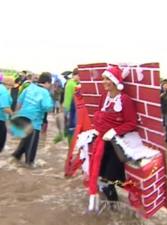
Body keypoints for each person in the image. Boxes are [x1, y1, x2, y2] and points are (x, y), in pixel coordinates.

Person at [86, 65, 137, 211]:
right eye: (103, 78)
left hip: (116, 145)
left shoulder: (125, 100)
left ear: (115, 81)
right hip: (102, 143)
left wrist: (114, 131)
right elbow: (100, 116)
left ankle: (115, 209)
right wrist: (97, 130)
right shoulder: (104, 97)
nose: (103, 81)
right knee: (101, 176)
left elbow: (131, 123)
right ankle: (112, 209)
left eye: (107, 78)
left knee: (110, 178)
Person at [12, 72, 54, 166]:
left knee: (24, 141)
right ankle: (29, 167)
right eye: (50, 84)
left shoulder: (29, 87)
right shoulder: (45, 92)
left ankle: (15, 157)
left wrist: (16, 114)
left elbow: (19, 101)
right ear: (47, 82)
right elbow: (47, 107)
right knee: (31, 150)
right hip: (34, 123)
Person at [63, 68, 80, 144]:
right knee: (72, 126)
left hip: (66, 106)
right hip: (70, 107)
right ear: (75, 75)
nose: (80, 78)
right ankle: (71, 143)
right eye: (79, 76)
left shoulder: (68, 82)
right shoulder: (74, 84)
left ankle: (69, 141)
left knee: (68, 125)